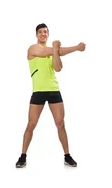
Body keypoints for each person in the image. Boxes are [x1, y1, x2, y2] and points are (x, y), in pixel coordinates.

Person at [15, 23, 86, 168]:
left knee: (60, 123)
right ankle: (23, 156)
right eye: (40, 32)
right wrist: (76, 48)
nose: (43, 34)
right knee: (31, 124)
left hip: (54, 90)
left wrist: (56, 50)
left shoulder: (52, 52)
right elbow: (49, 51)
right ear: (36, 35)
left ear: (48, 34)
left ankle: (67, 156)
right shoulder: (32, 48)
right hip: (38, 91)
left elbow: (58, 68)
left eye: (45, 32)